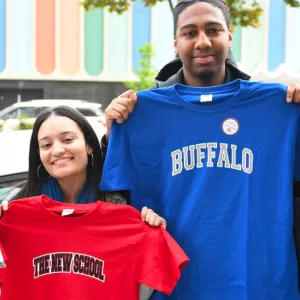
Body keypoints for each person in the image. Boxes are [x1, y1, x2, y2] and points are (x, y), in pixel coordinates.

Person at [100, 0, 300, 298]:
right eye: (190, 32)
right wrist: (112, 131)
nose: (203, 41)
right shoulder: (140, 113)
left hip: (257, 284)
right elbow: (114, 203)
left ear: (229, 36)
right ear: (176, 43)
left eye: (213, 30)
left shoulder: (278, 108)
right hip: (175, 284)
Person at [0, 105, 166, 300]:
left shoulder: (119, 208)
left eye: (67, 139)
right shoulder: (15, 208)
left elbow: (143, 290)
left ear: (88, 145)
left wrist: (151, 235)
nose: (58, 150)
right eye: (46, 145)